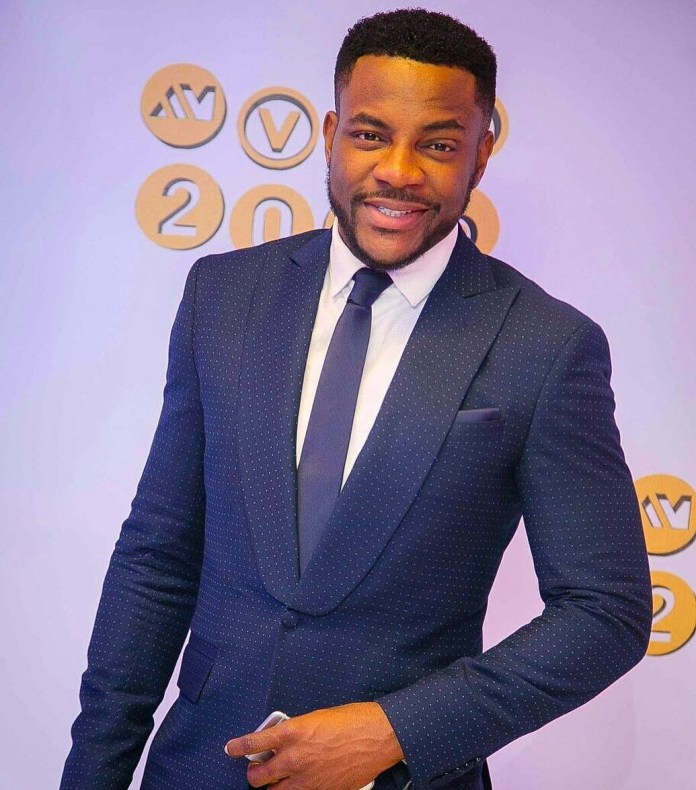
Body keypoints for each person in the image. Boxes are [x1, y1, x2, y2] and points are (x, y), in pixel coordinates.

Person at [61, 9, 652, 790]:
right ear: (332, 133)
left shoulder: (547, 345)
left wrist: (396, 730)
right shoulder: (223, 296)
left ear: (481, 154)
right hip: (197, 768)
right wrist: (93, 772)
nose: (399, 171)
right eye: (371, 135)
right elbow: (158, 556)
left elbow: (605, 613)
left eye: (438, 145)